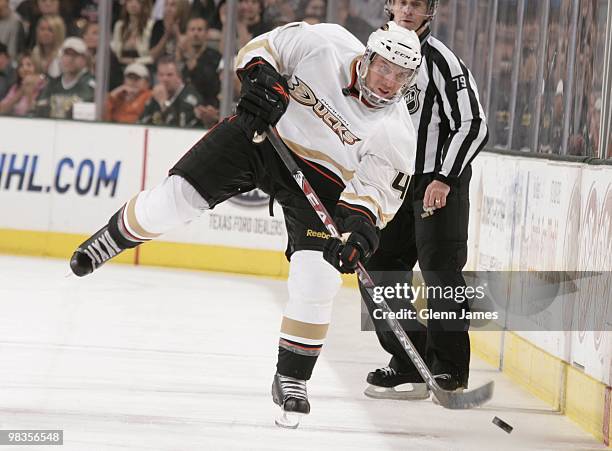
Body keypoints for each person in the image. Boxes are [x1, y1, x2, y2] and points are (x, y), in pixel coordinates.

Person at [68, 20, 421, 427]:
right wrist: (264, 81)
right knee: (174, 201)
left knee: (318, 278)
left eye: (401, 75)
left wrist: (358, 229)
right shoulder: (324, 43)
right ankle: (109, 240)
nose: (389, 81)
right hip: (260, 136)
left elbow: (375, 194)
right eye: (385, 67)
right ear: (367, 58)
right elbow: (262, 49)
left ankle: (292, 378)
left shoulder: (396, 132)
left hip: (324, 182)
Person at [360, 0, 489, 402]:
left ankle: (448, 367)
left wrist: (444, 177)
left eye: (418, 4)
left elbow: (473, 123)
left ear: (429, 11)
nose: (409, 10)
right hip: (394, 182)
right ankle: (409, 360)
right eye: (403, 2)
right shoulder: (371, 51)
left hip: (437, 184)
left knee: (439, 271)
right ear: (390, 5)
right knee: (379, 264)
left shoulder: (441, 61)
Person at [176, 16, 221, 128]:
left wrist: (190, 58)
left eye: (200, 30)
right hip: (183, 108)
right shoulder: (180, 58)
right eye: (192, 30)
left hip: (208, 108)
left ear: (206, 33)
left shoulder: (215, 57)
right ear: (186, 33)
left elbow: (211, 85)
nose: (196, 33)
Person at [34, 36, 94, 118]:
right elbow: (39, 110)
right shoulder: (51, 84)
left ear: (84, 59)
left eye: (75, 55)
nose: (70, 59)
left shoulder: (90, 85)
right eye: (66, 54)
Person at [138, 54, 201, 127]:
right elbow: (142, 122)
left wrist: (163, 104)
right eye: (161, 75)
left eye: (169, 75)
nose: (165, 79)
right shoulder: (156, 95)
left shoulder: (189, 99)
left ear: (179, 77)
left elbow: (180, 128)